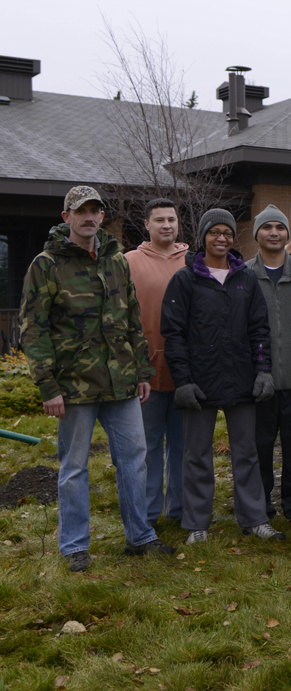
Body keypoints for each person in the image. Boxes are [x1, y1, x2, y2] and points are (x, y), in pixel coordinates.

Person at [20, 186, 172, 572]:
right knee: (74, 467)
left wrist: (141, 371)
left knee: (135, 460)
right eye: (80, 211)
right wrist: (47, 385)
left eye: (95, 211)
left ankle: (140, 537)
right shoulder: (47, 264)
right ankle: (74, 546)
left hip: (121, 381)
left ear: (102, 216)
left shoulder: (115, 261)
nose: (88, 217)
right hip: (73, 386)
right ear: (66, 216)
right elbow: (33, 328)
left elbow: (132, 317)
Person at [161, 209, 283, 544]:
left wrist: (263, 371)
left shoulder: (246, 279)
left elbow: (259, 329)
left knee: (247, 452)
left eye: (227, 233)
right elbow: (173, 334)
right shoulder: (185, 280)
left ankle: (255, 519)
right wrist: (183, 381)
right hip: (199, 382)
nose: (221, 238)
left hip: (242, 380)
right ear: (203, 237)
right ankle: (197, 524)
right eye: (214, 232)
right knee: (196, 455)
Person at [246, 205, 291, 530]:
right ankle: (258, 506)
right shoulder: (244, 275)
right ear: (257, 234)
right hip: (257, 383)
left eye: (279, 227)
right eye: (267, 227)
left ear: (286, 234)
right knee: (257, 448)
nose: (273, 233)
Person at [125, 197, 188, 529]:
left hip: (186, 373)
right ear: (146, 225)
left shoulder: (194, 261)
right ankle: (147, 516)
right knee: (147, 449)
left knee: (183, 446)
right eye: (159, 220)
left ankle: (180, 510)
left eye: (171, 219)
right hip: (145, 375)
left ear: (178, 224)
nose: (166, 225)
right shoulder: (129, 262)